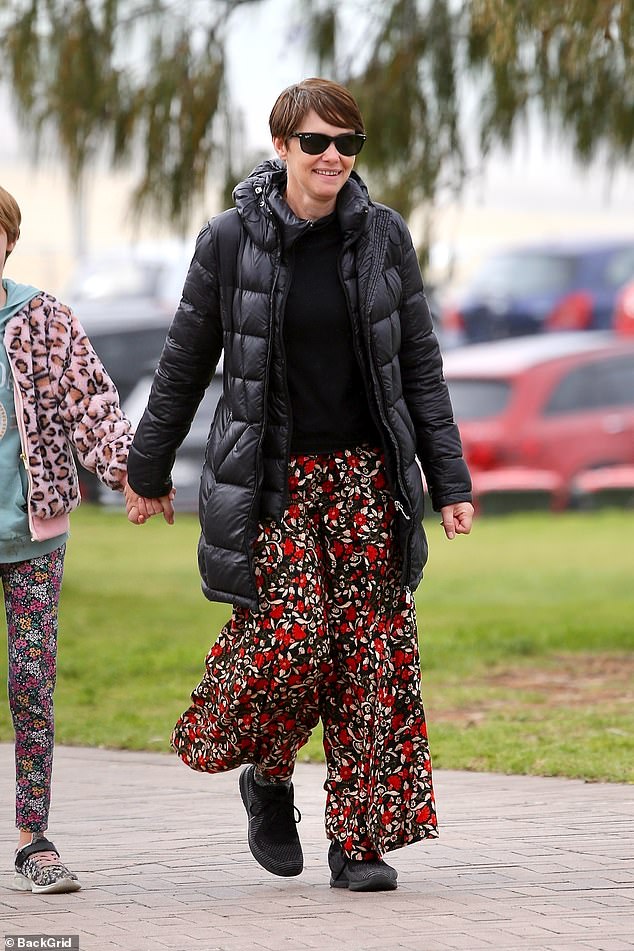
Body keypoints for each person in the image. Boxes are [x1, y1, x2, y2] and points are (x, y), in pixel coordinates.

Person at [125, 78, 474, 892]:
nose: (333, 158)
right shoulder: (229, 241)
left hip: (364, 479)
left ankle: (358, 841)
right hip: (273, 483)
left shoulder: (384, 238)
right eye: (317, 142)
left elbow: (420, 368)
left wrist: (447, 478)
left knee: (369, 660)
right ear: (281, 146)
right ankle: (270, 775)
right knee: (291, 645)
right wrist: (148, 468)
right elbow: (183, 363)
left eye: (347, 145)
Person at [0, 184, 135, 893]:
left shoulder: (43, 318)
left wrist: (129, 473)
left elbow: (94, 405)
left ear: (8, 239)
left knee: (32, 685)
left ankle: (34, 837)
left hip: (32, 534)